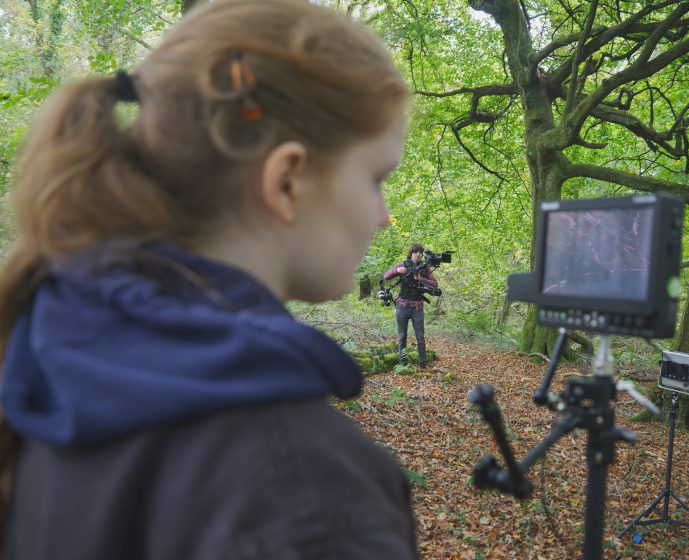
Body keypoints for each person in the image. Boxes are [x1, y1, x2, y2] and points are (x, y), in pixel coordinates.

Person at [0, 1, 418, 558]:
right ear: (288, 180)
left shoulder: (46, 354)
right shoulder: (303, 489)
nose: (382, 214)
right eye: (376, 177)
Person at [383, 243, 438, 368]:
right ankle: (403, 363)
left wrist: (421, 279)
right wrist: (396, 270)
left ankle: (423, 364)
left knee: (420, 337)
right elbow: (386, 276)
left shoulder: (425, 267)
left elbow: (435, 284)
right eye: (415, 252)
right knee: (402, 337)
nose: (418, 255)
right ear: (411, 253)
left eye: (420, 252)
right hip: (402, 306)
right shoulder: (403, 264)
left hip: (417, 308)